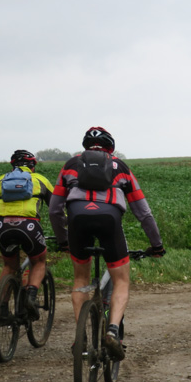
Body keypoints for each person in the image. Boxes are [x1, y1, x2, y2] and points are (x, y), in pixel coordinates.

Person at [49, 127, 165, 360]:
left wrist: (63, 240)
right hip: (109, 219)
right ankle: (112, 331)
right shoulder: (121, 167)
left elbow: (54, 210)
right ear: (110, 147)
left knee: (80, 279)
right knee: (121, 279)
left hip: (77, 220)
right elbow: (143, 212)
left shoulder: (70, 165)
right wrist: (157, 245)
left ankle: (80, 336)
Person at [0, 150, 54, 321]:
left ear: (12, 165)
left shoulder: (0, 181)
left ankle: (2, 309)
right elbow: (56, 209)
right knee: (39, 261)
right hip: (29, 226)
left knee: (9, 265)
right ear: (33, 166)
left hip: (2, 226)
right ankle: (31, 297)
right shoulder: (40, 180)